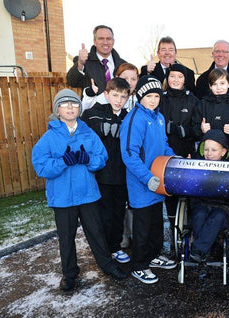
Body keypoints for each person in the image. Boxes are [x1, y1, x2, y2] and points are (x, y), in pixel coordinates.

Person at [32, 89, 127, 291]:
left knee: (97, 232)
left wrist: (88, 160)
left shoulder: (88, 132)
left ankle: (107, 265)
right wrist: (62, 162)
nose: (70, 108)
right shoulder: (49, 137)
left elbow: (101, 158)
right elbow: (40, 166)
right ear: (57, 110)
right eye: (65, 104)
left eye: (74, 104)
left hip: (87, 194)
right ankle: (69, 274)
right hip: (62, 197)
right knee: (66, 238)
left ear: (79, 108)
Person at [120, 75, 177, 284]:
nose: (153, 100)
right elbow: (129, 154)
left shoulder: (158, 117)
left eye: (156, 96)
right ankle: (139, 266)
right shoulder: (135, 119)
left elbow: (163, 145)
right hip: (142, 184)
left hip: (158, 182)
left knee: (155, 224)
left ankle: (153, 257)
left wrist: (173, 159)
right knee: (142, 228)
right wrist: (147, 178)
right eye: (149, 96)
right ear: (140, 96)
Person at [81, 77, 131, 265]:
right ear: (107, 94)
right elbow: (84, 128)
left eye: (123, 97)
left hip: (120, 174)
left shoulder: (128, 116)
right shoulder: (94, 113)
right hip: (99, 174)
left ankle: (115, 247)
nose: (118, 100)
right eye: (115, 95)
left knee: (118, 213)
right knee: (102, 214)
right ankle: (102, 250)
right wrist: (99, 129)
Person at [159, 63, 199, 246]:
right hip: (165, 154)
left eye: (180, 77)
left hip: (186, 152)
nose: (176, 80)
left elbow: (199, 127)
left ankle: (189, 233)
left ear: (185, 79)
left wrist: (184, 130)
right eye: (172, 76)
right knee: (170, 195)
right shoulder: (161, 98)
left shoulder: (192, 100)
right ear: (167, 78)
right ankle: (174, 235)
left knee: (187, 193)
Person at [189, 129, 229, 262]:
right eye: (206, 149)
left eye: (214, 150)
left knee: (218, 217)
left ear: (224, 151)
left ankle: (198, 249)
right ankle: (204, 249)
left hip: (222, 205)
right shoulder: (197, 163)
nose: (209, 154)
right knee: (199, 215)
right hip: (201, 202)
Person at [193, 68, 229, 161]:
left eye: (222, 83)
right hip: (206, 156)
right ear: (210, 86)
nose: (219, 87)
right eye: (215, 84)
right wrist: (200, 129)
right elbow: (193, 128)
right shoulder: (202, 104)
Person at [67, 25, 127, 95]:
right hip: (93, 106)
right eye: (101, 38)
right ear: (94, 42)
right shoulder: (85, 62)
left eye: (108, 38)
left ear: (113, 41)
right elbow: (72, 82)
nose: (105, 42)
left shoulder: (123, 65)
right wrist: (80, 64)